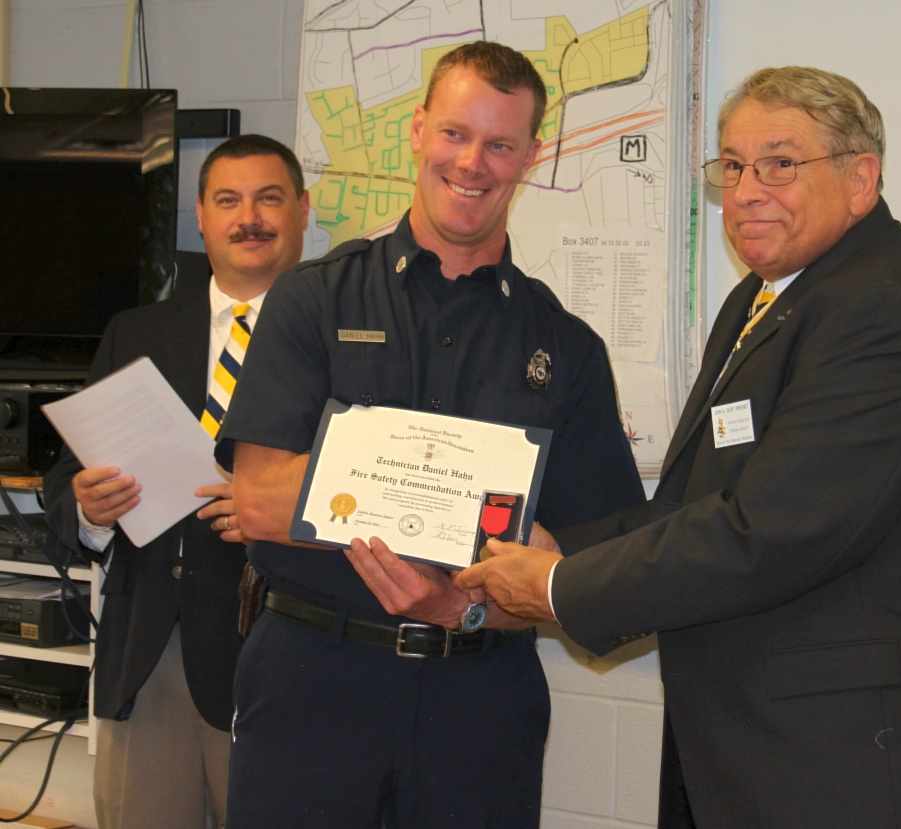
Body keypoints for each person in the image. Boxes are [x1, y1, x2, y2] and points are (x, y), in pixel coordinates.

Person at [458, 65, 901, 828]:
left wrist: (560, 587)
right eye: (732, 166)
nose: (747, 190)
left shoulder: (882, 309)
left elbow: (771, 530)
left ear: (861, 178)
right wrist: (562, 546)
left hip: (854, 768)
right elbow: (694, 505)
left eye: (780, 164)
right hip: (760, 751)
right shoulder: (769, 296)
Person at [214, 41, 643, 829]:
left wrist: (465, 604)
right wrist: (476, 526)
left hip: (478, 701)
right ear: (416, 131)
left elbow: (586, 572)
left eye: (499, 144)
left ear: (531, 158)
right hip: (310, 680)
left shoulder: (567, 347)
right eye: (453, 133)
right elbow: (262, 498)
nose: (471, 162)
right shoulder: (312, 300)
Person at [43, 134, 309, 829]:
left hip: (288, 659)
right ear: (200, 216)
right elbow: (64, 477)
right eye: (228, 200)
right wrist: (88, 506)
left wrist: (280, 505)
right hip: (150, 654)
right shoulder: (136, 332)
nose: (248, 216)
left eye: (268, 198)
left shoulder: (342, 340)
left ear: (302, 211)